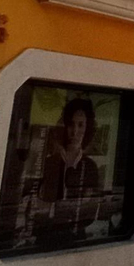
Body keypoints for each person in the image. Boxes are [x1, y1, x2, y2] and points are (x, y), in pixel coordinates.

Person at [36, 97, 104, 247]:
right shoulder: (49, 162)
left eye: (81, 125)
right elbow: (39, 201)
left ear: (87, 129)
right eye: (71, 125)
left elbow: (92, 209)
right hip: (46, 237)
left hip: (76, 238)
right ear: (65, 126)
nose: (75, 131)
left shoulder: (90, 167)